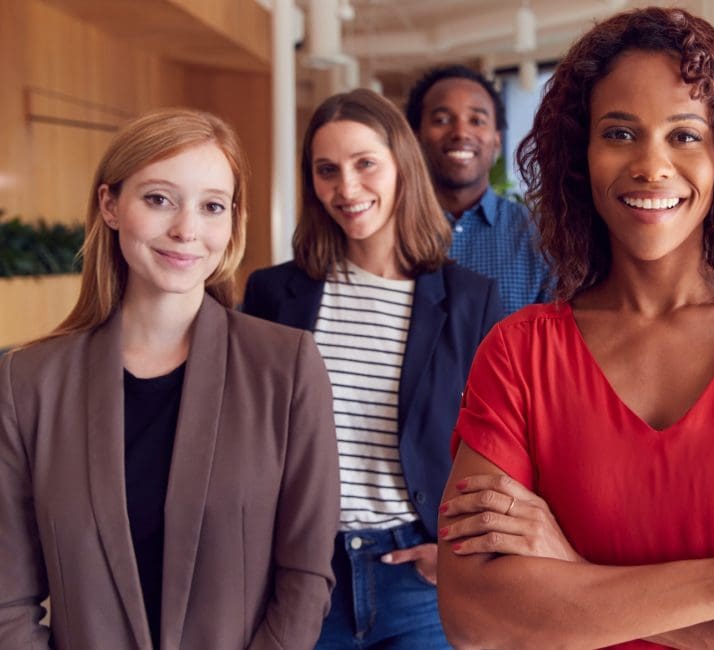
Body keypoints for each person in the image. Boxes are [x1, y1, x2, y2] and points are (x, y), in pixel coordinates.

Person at [435, 8, 714, 649]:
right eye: (619, 133)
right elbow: (475, 616)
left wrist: (575, 577)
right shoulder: (518, 355)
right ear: (580, 156)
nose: (651, 165)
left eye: (684, 135)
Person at [0, 108, 340, 649]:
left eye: (211, 206)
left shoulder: (286, 365)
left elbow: (304, 574)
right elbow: (8, 600)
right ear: (110, 206)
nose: (186, 229)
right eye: (159, 199)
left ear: (233, 222)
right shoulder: (28, 381)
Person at [242, 88, 500, 649]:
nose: (347, 189)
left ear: (401, 165)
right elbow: (248, 438)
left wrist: (455, 554)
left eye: (365, 164)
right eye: (327, 170)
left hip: (418, 578)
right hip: (304, 574)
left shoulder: (468, 299)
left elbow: (495, 446)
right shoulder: (272, 294)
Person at [405, 65, 549, 316]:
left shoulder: (540, 236)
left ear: (496, 139)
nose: (460, 132)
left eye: (477, 120)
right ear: (415, 136)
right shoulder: (389, 230)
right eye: (442, 120)